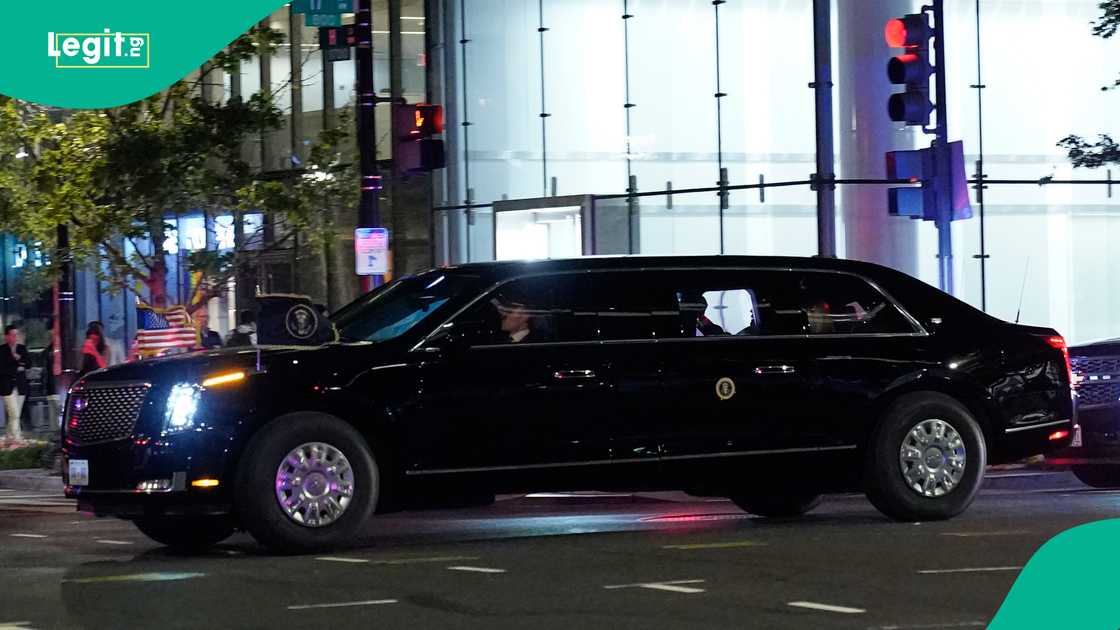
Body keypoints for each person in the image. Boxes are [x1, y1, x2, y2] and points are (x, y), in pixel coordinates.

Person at [0, 324, 30, 440]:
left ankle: (9, 437)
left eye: (16, 335)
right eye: (12, 335)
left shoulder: (21, 348)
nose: (15, 337)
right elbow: (2, 368)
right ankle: (17, 439)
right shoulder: (2, 350)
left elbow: (28, 363)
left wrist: (19, 359)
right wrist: (17, 368)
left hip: (21, 385)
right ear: (6, 336)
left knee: (15, 415)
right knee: (15, 414)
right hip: (7, 386)